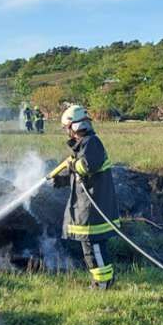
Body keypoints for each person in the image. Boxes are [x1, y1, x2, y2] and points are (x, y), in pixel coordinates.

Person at [51, 104, 119, 289]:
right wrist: (63, 180)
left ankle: (102, 283)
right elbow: (83, 175)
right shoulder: (85, 145)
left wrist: (72, 165)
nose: (67, 132)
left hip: (93, 206)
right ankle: (102, 281)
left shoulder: (91, 142)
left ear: (74, 126)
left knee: (93, 247)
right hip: (89, 204)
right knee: (91, 247)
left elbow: (88, 166)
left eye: (67, 128)